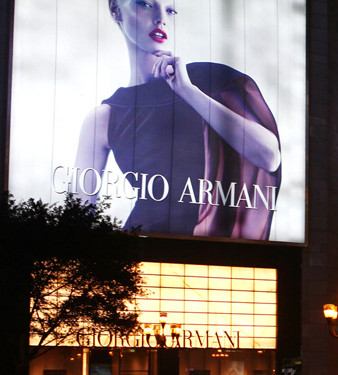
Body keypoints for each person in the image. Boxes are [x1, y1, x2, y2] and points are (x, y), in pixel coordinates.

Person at [77, 0, 281, 239]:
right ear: (115, 9)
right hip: (140, 247)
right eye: (145, 4)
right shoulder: (106, 116)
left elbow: (269, 156)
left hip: (212, 249)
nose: (161, 19)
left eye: (170, 10)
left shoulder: (211, 80)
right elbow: (76, 219)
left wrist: (187, 90)